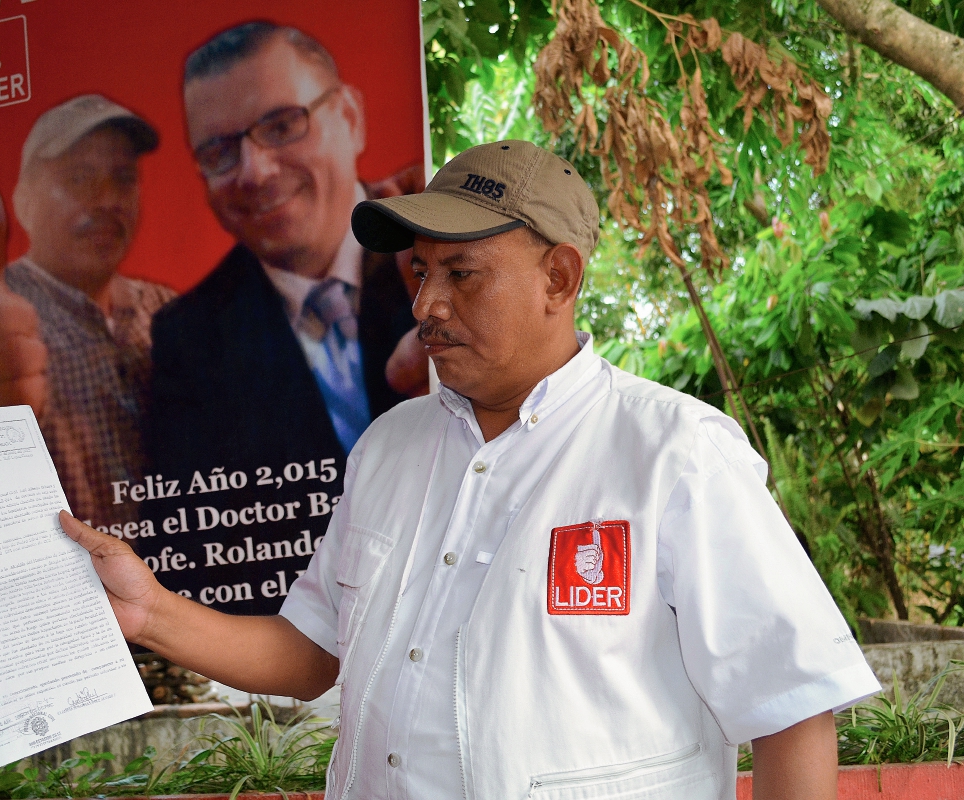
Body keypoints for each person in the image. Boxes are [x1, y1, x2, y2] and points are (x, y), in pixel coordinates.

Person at [62, 140, 881, 799]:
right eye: (420, 272)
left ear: (559, 277)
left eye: (462, 274)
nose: (425, 306)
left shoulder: (676, 453)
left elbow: (793, 707)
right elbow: (312, 651)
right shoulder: (389, 448)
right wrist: (152, 612)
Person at [139, 22, 424, 612]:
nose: (255, 171)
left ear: (350, 116)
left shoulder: (444, 256)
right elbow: (188, 556)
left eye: (281, 125)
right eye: (219, 152)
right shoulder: (187, 338)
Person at [0, 95, 175, 528]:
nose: (107, 199)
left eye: (123, 178)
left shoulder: (167, 310)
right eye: (78, 177)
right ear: (24, 201)